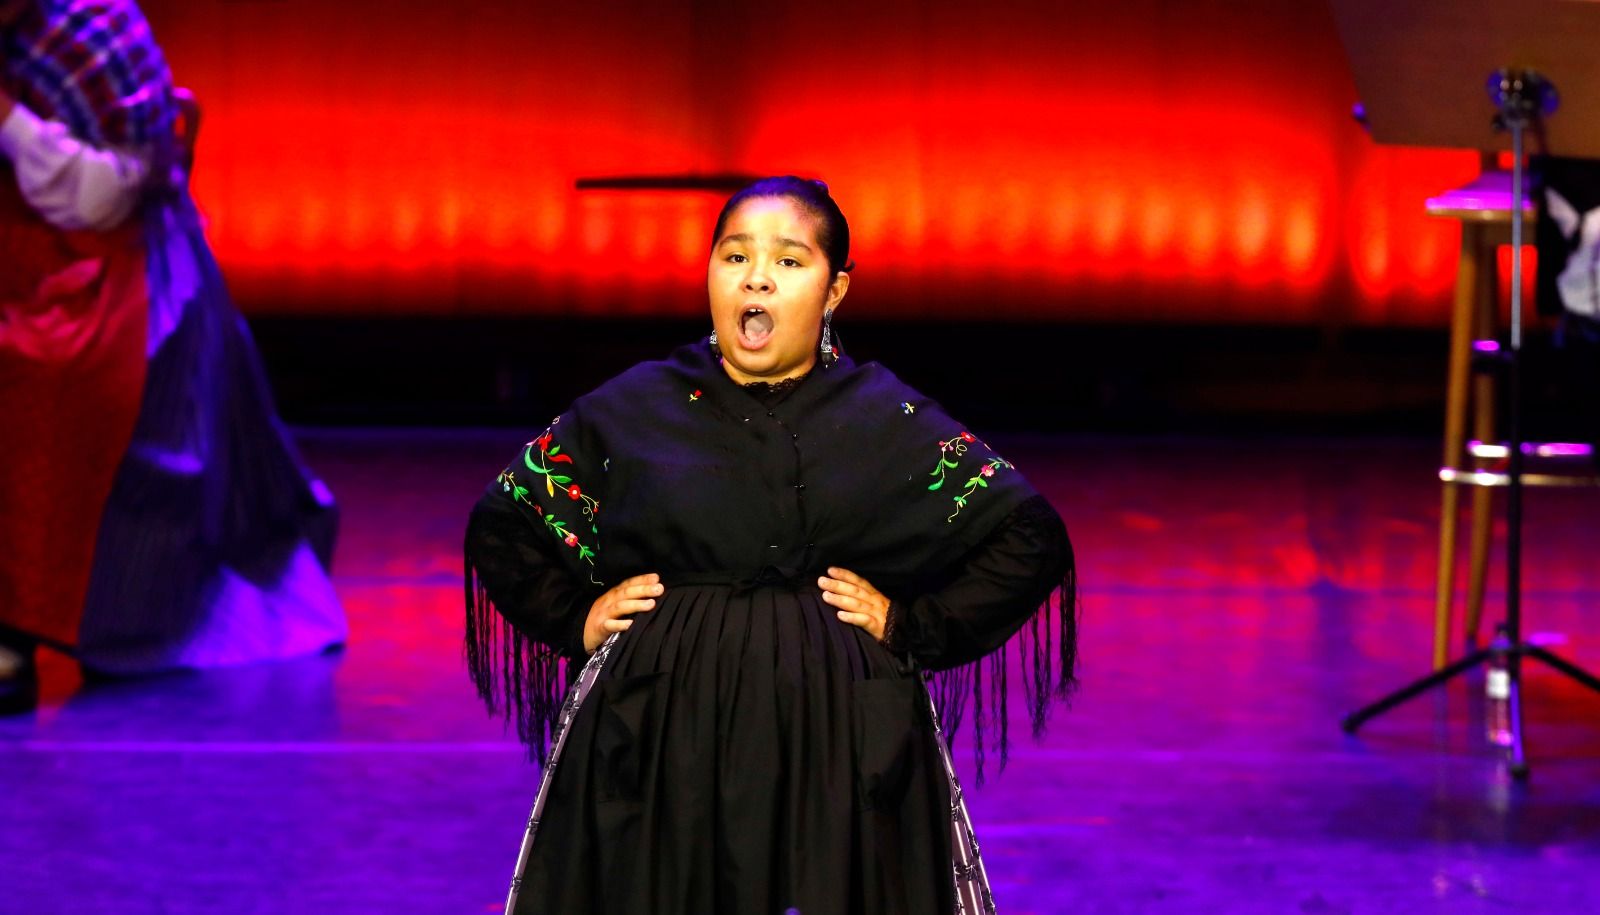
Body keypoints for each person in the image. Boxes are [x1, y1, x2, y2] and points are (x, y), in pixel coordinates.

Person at [465, 176, 1076, 914]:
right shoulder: (639, 406)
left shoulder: (883, 416)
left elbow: (1027, 533)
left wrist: (914, 627)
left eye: (788, 261)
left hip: (840, 741)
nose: (756, 276)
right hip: (664, 734)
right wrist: (576, 618)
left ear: (835, 290)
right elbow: (505, 520)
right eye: (735, 256)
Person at [0, 0, 346, 714]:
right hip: (20, 254)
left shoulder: (89, 25)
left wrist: (7, 119)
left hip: (117, 270)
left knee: (41, 373)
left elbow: (106, 194)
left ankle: (17, 634)